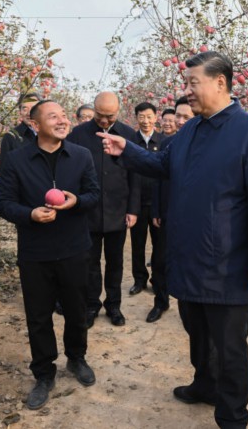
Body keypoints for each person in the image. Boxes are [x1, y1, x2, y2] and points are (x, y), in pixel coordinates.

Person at [97, 52, 248, 429]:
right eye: (187, 84)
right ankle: (204, 384)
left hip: (229, 263)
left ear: (220, 82)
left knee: (229, 347)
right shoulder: (191, 131)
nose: (187, 91)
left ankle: (232, 417)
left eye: (193, 83)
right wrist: (127, 151)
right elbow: (164, 165)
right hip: (190, 256)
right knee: (196, 331)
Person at [0, 100, 100, 410]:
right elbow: (4, 203)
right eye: (53, 116)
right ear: (35, 124)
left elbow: (94, 194)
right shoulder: (16, 160)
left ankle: (77, 358)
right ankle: (43, 373)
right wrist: (30, 214)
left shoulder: (81, 155)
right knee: (38, 316)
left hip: (74, 247)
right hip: (35, 251)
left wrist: (76, 201)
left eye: (64, 115)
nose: (62, 120)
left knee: (76, 309)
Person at [67, 91, 140, 328]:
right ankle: (91, 305)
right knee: (90, 262)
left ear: (118, 111)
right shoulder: (78, 135)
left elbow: (135, 175)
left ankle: (113, 305)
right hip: (87, 211)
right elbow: (70, 172)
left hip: (118, 209)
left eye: (110, 116)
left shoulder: (128, 135)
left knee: (115, 262)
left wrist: (133, 209)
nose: (105, 120)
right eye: (100, 115)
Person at [146, 96, 194, 323]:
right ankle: (160, 301)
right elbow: (158, 179)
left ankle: (192, 305)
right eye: (178, 116)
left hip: (193, 216)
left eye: (187, 117)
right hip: (167, 212)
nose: (180, 121)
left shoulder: (208, 145)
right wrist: (156, 210)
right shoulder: (168, 144)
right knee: (160, 260)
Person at [129, 102, 163, 296]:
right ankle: (139, 280)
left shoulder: (163, 141)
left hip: (158, 203)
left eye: (149, 116)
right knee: (137, 244)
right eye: (141, 117)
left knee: (159, 246)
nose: (146, 121)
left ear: (155, 117)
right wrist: (131, 208)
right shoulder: (130, 142)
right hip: (138, 203)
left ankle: (157, 280)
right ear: (136, 118)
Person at [0, 92, 42, 167]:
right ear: (20, 112)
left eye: (33, 108)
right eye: (25, 109)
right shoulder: (11, 137)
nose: (29, 113)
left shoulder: (51, 134)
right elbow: (5, 170)